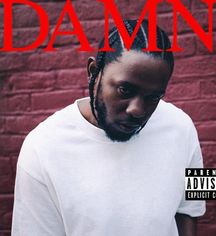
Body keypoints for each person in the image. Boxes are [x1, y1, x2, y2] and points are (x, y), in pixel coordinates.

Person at [11, 20, 205, 236]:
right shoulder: (41, 147)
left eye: (154, 97)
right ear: (94, 72)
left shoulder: (182, 127)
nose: (137, 110)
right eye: (124, 89)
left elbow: (191, 208)